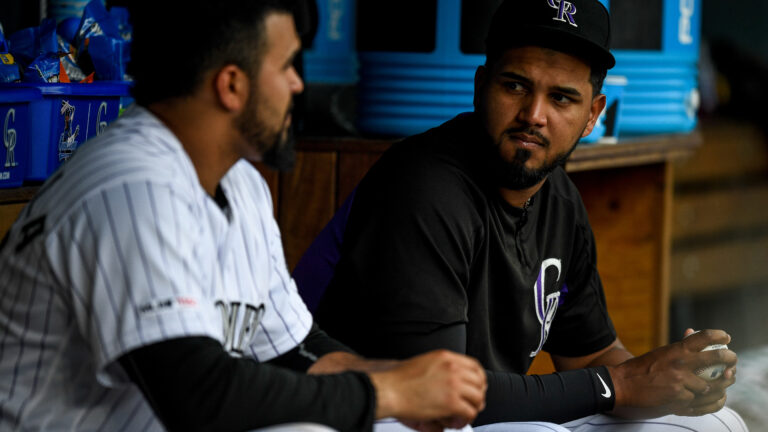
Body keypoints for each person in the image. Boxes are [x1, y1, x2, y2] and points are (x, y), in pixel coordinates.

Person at [0, 1, 488, 431]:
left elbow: (293, 354)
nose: (299, 84)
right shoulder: (132, 185)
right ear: (232, 85)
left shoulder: (240, 183)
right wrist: (392, 392)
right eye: (288, 65)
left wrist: (407, 390)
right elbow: (200, 397)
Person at [301, 0, 748, 430]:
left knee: (716, 424)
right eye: (515, 85)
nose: (534, 115)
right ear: (481, 85)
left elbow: (592, 356)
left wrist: (675, 381)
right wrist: (622, 384)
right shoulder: (421, 184)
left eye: (562, 98)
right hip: (370, 414)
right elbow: (439, 394)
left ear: (593, 114)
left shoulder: (560, 201)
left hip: (480, 415)